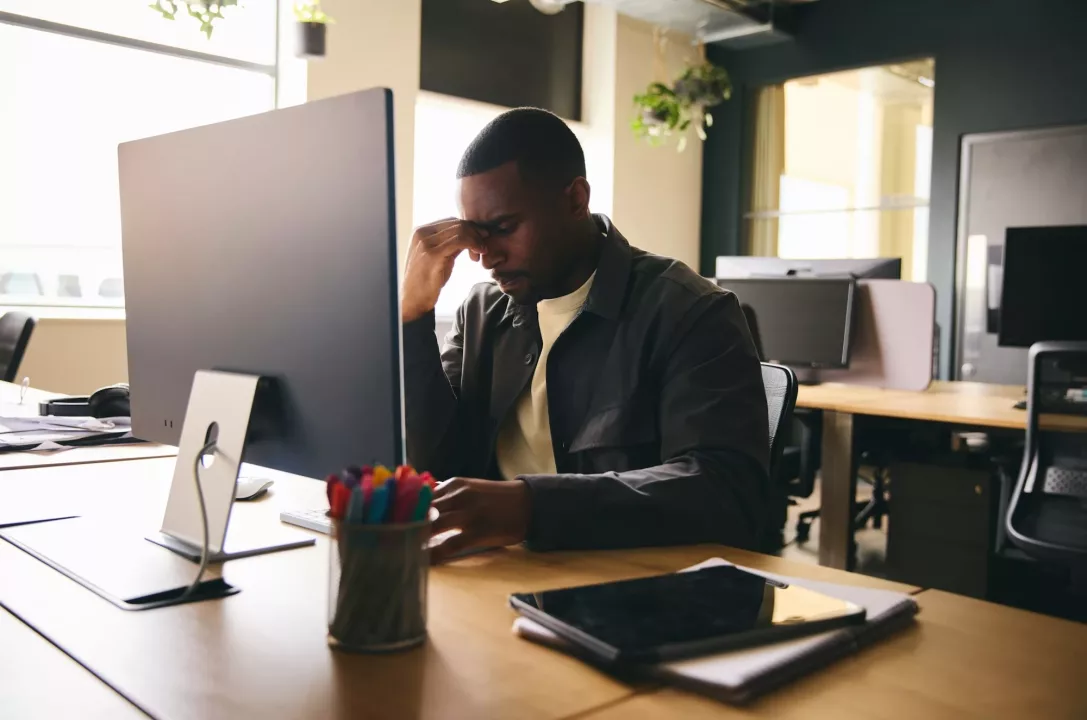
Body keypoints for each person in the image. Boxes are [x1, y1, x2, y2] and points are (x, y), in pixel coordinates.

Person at [402, 108, 772, 563]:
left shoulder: (688, 311)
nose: (485, 257)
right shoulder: (481, 314)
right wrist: (413, 317)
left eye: (504, 228)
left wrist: (531, 507)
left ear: (576, 199)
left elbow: (726, 490)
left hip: (631, 588)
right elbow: (435, 466)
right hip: (504, 574)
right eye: (476, 235)